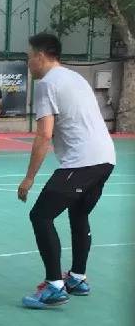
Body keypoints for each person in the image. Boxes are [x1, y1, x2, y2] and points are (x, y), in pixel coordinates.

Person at [18, 32, 115, 309]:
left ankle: (54, 287)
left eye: (29, 57)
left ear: (40, 56)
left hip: (82, 160)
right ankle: (77, 278)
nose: (28, 63)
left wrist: (29, 178)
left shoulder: (47, 84)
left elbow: (44, 135)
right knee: (79, 213)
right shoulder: (75, 77)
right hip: (106, 158)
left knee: (41, 216)